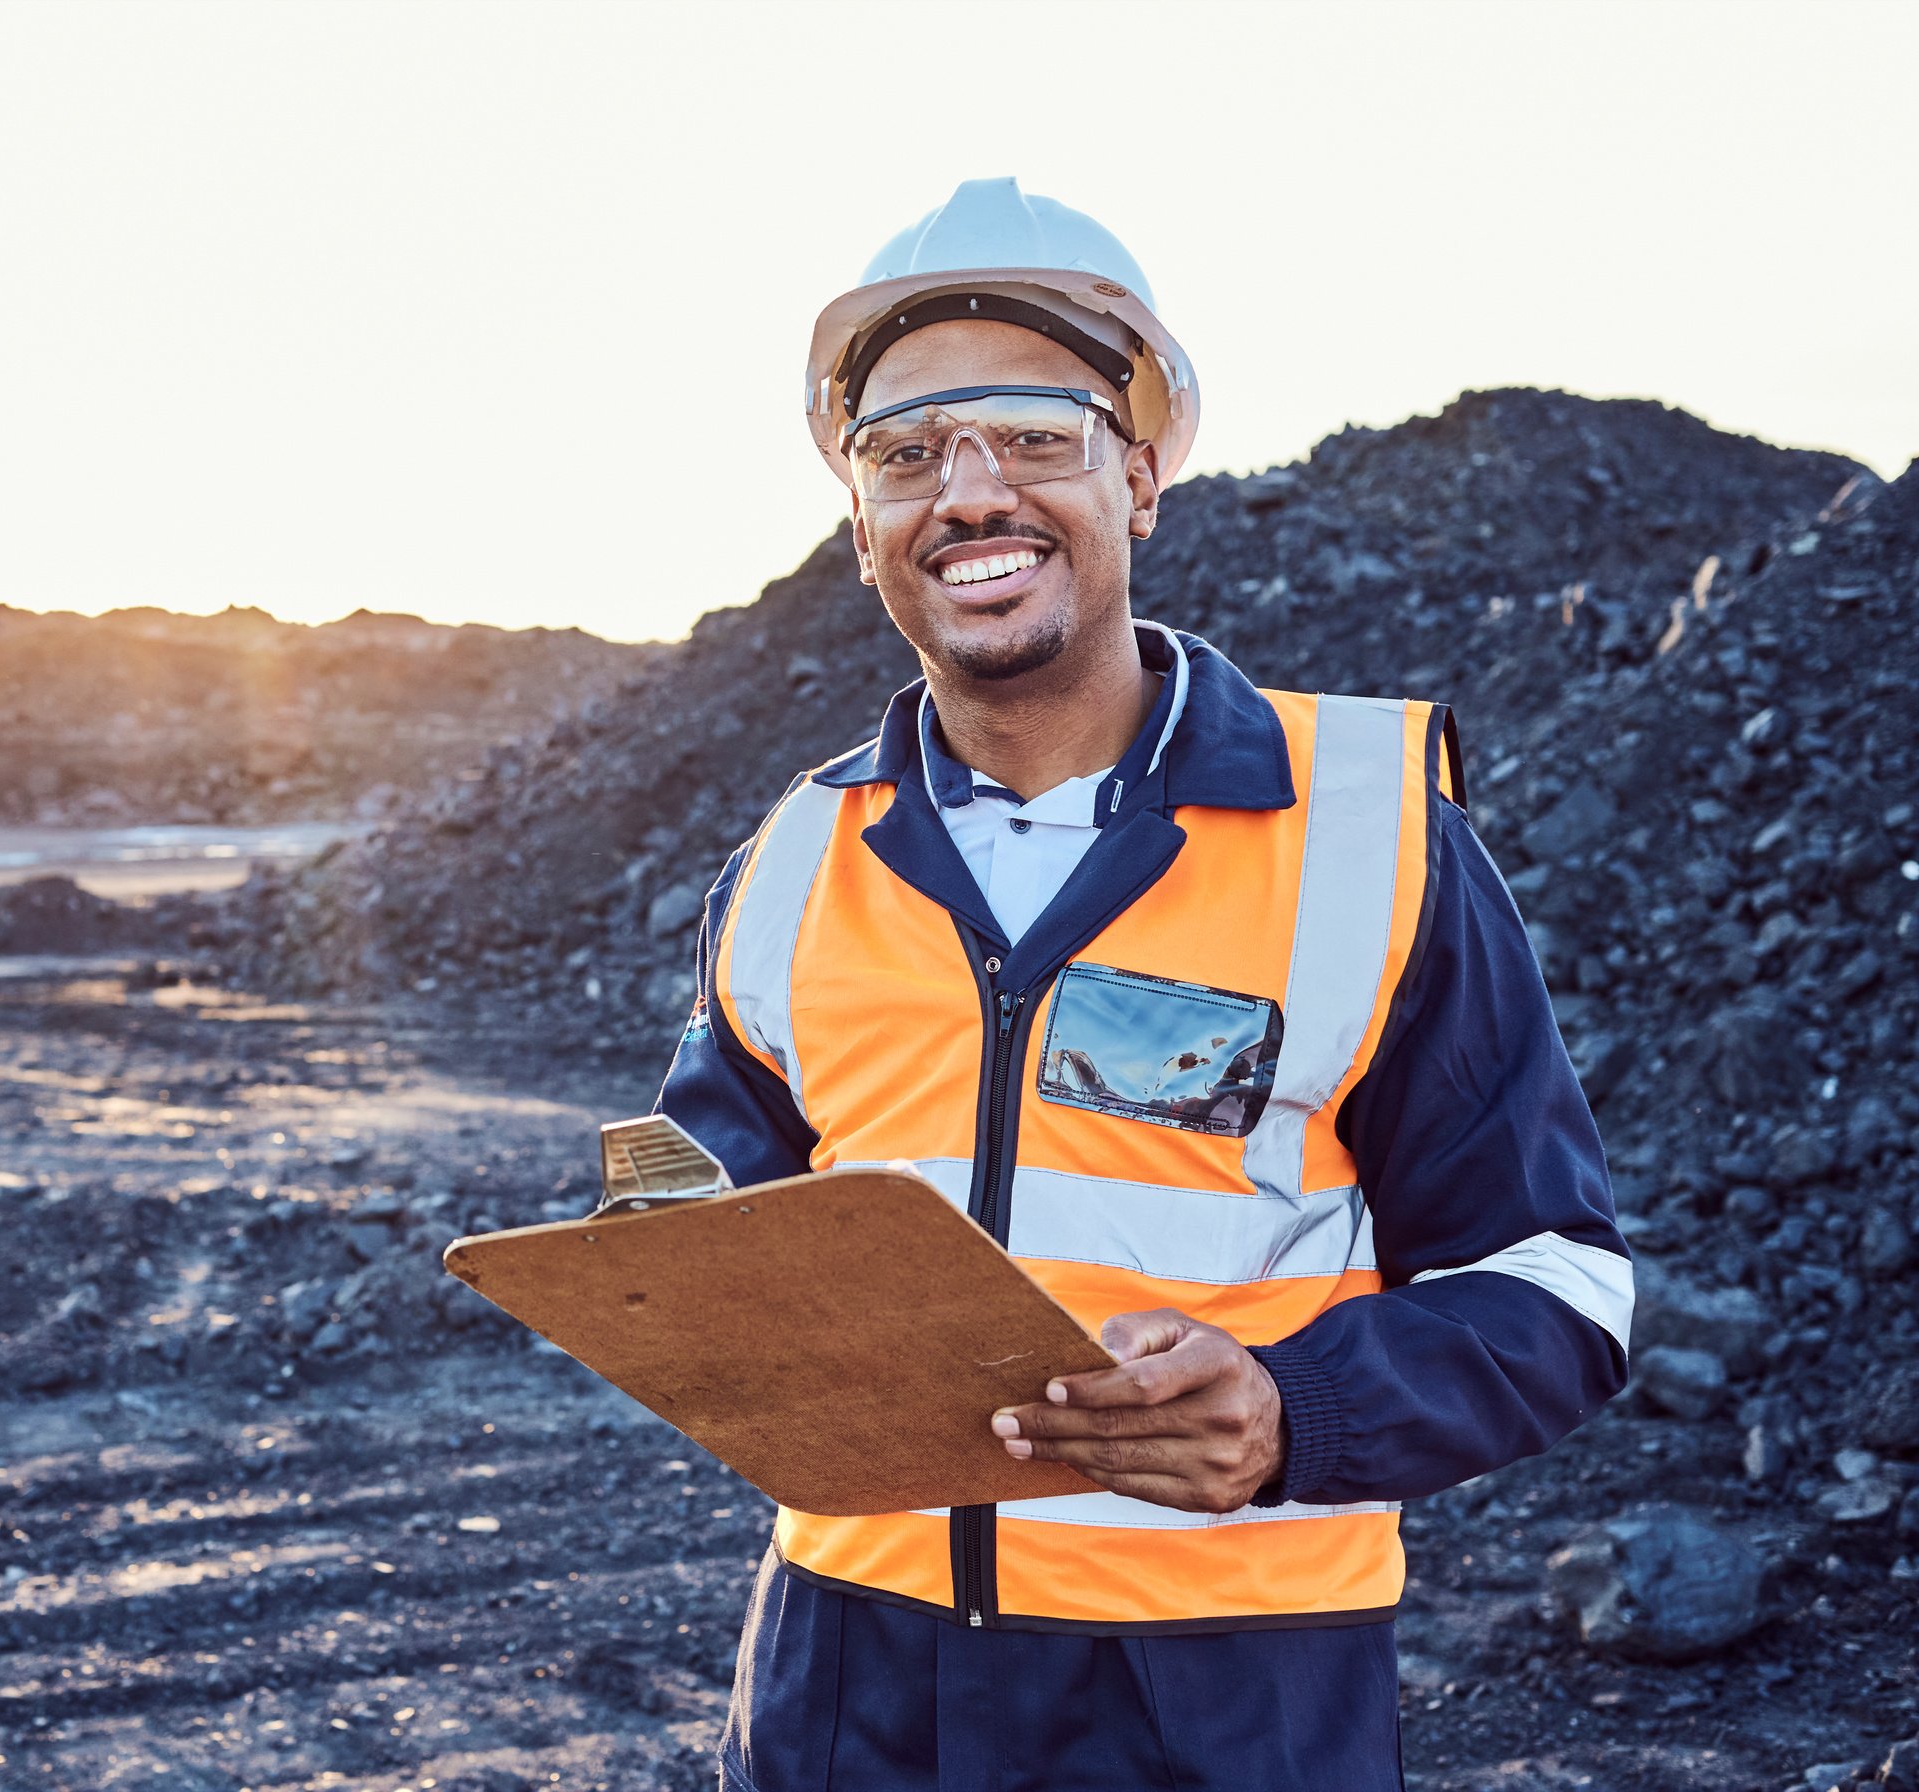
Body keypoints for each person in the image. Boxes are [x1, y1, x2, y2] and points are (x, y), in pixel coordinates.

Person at [654, 179, 1632, 1792]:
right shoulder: (791, 862)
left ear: (1141, 473)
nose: (971, 495)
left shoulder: (1367, 845)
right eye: (907, 454)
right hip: (853, 1681)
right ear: (859, 523)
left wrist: (1292, 1411)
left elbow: (1560, 1286)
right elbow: (716, 1196)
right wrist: (655, 1248)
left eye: (1034, 437)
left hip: (1224, 1700)